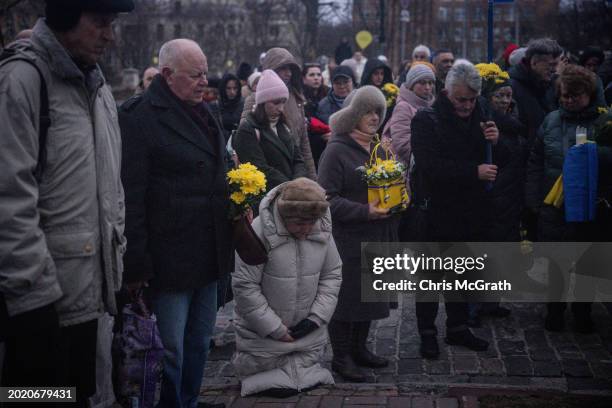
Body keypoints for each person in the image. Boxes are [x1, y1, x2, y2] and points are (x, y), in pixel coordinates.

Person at [0, 1, 132, 406]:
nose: (110, 36)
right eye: (100, 23)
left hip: (91, 302)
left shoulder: (98, 87)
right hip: (40, 309)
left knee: (79, 397)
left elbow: (112, 187)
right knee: (34, 398)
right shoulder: (21, 80)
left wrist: (118, 267)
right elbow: (8, 199)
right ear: (65, 16)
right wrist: (33, 302)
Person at [119, 39, 232, 408]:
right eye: (195, 75)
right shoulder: (139, 117)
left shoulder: (203, 110)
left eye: (205, 73)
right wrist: (136, 264)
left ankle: (189, 400)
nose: (205, 81)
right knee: (170, 349)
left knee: (199, 342)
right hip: (169, 260)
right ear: (168, 76)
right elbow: (130, 198)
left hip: (208, 252)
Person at [410, 60, 498, 359]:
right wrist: (473, 171)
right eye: (462, 99)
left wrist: (496, 142)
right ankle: (427, 332)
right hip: (435, 211)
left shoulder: (481, 114)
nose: (468, 105)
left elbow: (504, 160)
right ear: (447, 93)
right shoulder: (427, 119)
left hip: (469, 212)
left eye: (473, 99)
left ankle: (458, 327)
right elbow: (430, 166)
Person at [232, 178, 342, 397]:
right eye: (301, 223)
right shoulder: (258, 231)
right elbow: (245, 285)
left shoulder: (321, 227)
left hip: (307, 334)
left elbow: (332, 274)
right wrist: (274, 328)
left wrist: (316, 318)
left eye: (312, 222)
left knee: (304, 369)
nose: (308, 229)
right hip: (265, 338)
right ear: (284, 215)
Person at [525, 64, 612, 334]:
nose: (569, 100)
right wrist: (533, 200)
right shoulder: (551, 120)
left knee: (588, 261)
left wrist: (597, 153)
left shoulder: (604, 121)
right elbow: (535, 161)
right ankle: (555, 311)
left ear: (589, 94)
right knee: (556, 262)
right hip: (555, 203)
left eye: (575, 95)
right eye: (564, 95)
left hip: (591, 204)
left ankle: (583, 312)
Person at [318, 86, 397, 382]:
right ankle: (341, 358)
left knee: (370, 295)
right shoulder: (336, 149)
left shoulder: (377, 147)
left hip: (378, 233)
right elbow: (326, 198)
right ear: (354, 115)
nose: (374, 117)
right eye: (367, 111)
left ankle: (360, 349)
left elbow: (390, 184)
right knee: (347, 300)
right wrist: (364, 211)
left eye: (378, 111)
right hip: (348, 238)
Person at [242, 47, 317, 180]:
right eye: (283, 68)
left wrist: (311, 179)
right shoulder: (255, 99)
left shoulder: (296, 99)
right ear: (271, 69)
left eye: (291, 69)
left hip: (296, 173)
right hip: (268, 178)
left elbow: (304, 145)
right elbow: (248, 140)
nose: (288, 73)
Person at [233, 69, 308, 193]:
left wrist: (298, 182)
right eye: (276, 103)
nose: (281, 108)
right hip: (267, 198)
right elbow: (259, 168)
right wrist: (291, 186)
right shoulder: (248, 129)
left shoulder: (283, 125)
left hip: (291, 194)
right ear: (262, 102)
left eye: (283, 102)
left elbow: (298, 160)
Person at [302, 63, 331, 168]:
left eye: (319, 75)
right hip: (310, 145)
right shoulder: (300, 97)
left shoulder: (329, 94)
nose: (316, 78)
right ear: (304, 79)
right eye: (312, 75)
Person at [211, 72, 244, 140]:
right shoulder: (216, 106)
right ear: (223, 89)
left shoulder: (244, 105)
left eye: (235, 88)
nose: (232, 92)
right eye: (228, 88)